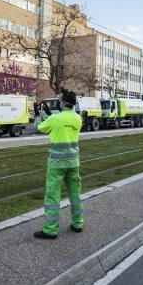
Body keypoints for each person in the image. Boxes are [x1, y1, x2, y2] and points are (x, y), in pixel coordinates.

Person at [34, 89, 83, 239]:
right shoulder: (77, 118)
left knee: (52, 197)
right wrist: (49, 116)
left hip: (57, 164)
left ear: (62, 103)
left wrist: (37, 116)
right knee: (75, 195)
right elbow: (62, 123)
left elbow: (40, 127)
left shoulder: (55, 119)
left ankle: (50, 230)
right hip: (73, 163)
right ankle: (78, 223)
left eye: (59, 100)